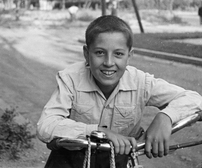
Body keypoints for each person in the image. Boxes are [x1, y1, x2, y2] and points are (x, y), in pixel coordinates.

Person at [37, 15, 202, 168]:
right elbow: (46, 125)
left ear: (129, 56)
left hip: (118, 161)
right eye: (100, 53)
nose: (109, 62)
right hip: (69, 161)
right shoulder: (71, 79)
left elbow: (195, 99)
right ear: (87, 54)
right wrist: (97, 131)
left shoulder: (140, 81)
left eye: (118, 54)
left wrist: (165, 117)